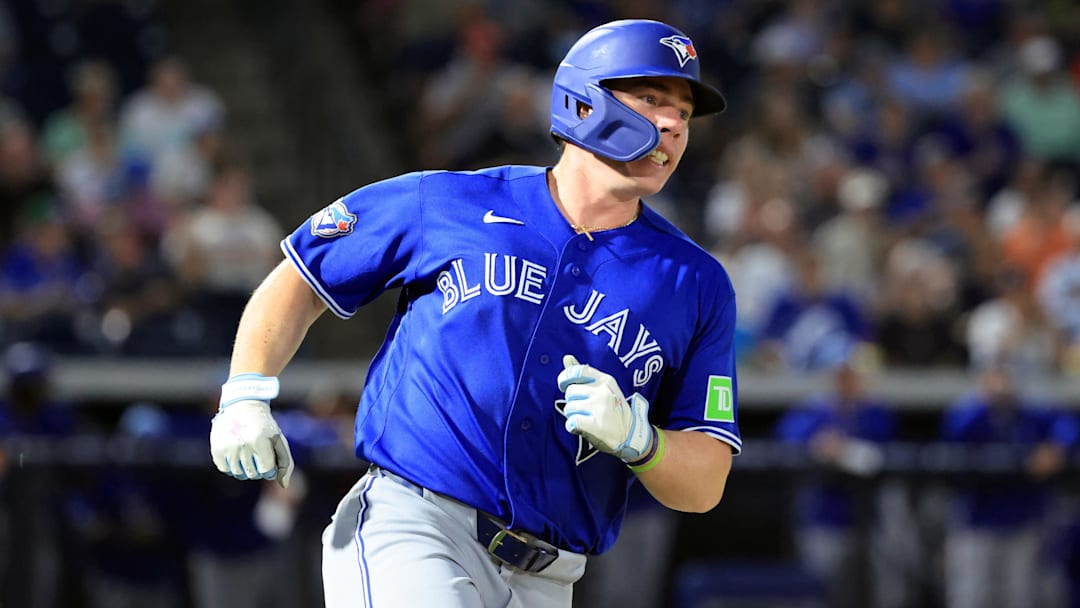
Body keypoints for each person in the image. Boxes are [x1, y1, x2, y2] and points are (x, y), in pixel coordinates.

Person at [208, 19, 741, 607]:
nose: (671, 124)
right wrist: (245, 393)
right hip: (414, 526)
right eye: (650, 100)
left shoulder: (697, 283)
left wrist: (642, 441)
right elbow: (303, 278)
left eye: (684, 114)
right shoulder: (448, 201)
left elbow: (705, 481)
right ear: (585, 103)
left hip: (548, 578)